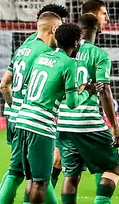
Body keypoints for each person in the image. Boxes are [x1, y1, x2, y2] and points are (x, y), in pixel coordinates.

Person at [0, 7, 66, 204]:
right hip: (32, 119)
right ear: (53, 28)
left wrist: (14, 106)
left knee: (25, 171)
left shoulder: (23, 48)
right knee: (26, 173)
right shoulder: (45, 53)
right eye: (59, 28)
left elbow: (3, 85)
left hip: (15, 116)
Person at [58, 4, 119, 204]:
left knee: (71, 175)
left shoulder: (63, 52)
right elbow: (103, 90)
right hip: (88, 123)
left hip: (64, 123)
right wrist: (115, 127)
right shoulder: (99, 55)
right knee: (114, 166)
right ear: (99, 29)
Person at [15, 23, 87, 204]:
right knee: (41, 183)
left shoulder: (42, 56)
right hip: (40, 125)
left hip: (22, 119)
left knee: (32, 179)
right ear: (76, 43)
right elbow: (72, 103)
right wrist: (87, 91)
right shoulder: (70, 63)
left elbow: (27, 84)